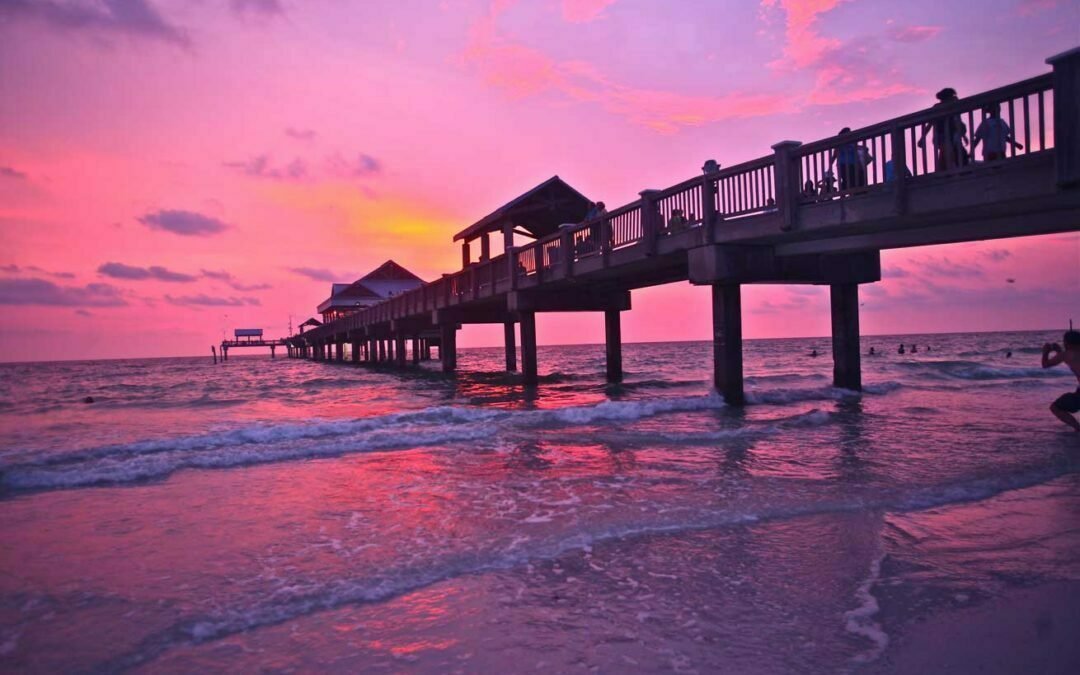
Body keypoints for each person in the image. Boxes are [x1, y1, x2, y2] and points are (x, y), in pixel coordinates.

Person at [918, 88, 969, 171]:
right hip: (941, 136)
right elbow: (930, 124)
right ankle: (949, 171)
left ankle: (944, 171)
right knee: (947, 151)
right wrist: (922, 138)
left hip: (953, 136)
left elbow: (957, 122)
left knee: (956, 153)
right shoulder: (937, 108)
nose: (955, 98)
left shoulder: (954, 108)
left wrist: (963, 136)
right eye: (952, 96)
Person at [1042, 330, 1080, 432]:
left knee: (1055, 407)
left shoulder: (1066, 354)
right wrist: (1060, 352)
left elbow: (1045, 365)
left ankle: (1077, 428)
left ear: (1067, 343)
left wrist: (1046, 352)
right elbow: (1072, 361)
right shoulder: (1067, 354)